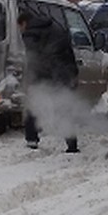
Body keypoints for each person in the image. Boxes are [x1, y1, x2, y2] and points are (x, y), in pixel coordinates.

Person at [18, 10, 79, 153]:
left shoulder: (31, 33)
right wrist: (73, 73)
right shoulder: (55, 27)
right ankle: (72, 145)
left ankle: (32, 140)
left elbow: (32, 59)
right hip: (63, 74)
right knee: (64, 108)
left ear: (24, 23)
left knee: (33, 104)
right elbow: (68, 51)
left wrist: (29, 79)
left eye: (20, 27)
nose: (20, 31)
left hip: (45, 75)